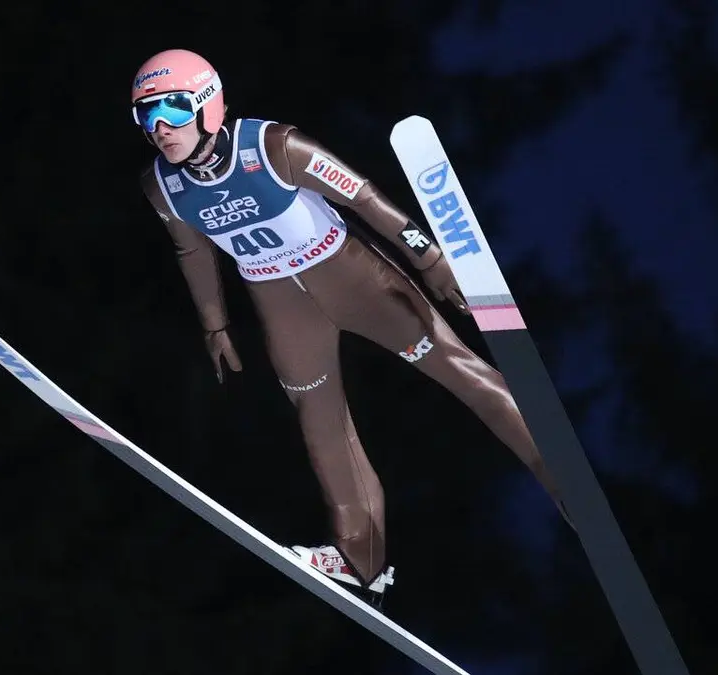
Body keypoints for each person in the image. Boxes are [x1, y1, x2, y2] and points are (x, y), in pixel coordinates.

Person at [133, 48, 571, 602]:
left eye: (172, 108)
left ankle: (561, 476)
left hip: (353, 281)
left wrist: (429, 258)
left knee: (454, 367)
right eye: (145, 114)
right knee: (320, 423)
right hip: (283, 308)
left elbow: (362, 196)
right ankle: (360, 558)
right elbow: (192, 252)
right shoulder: (162, 186)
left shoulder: (273, 147)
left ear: (207, 105)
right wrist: (215, 326)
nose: (160, 127)